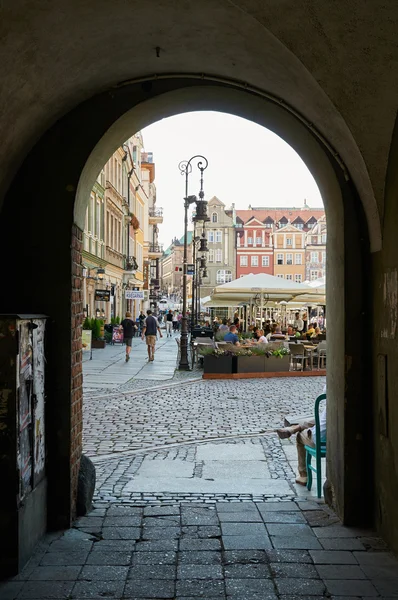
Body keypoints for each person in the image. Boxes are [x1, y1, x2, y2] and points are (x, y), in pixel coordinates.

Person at [275, 386, 326, 485]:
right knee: (317, 419)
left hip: (322, 440)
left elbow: (326, 390)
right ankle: (295, 428)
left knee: (299, 437)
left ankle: (303, 475)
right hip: (338, 438)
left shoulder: (332, 396)